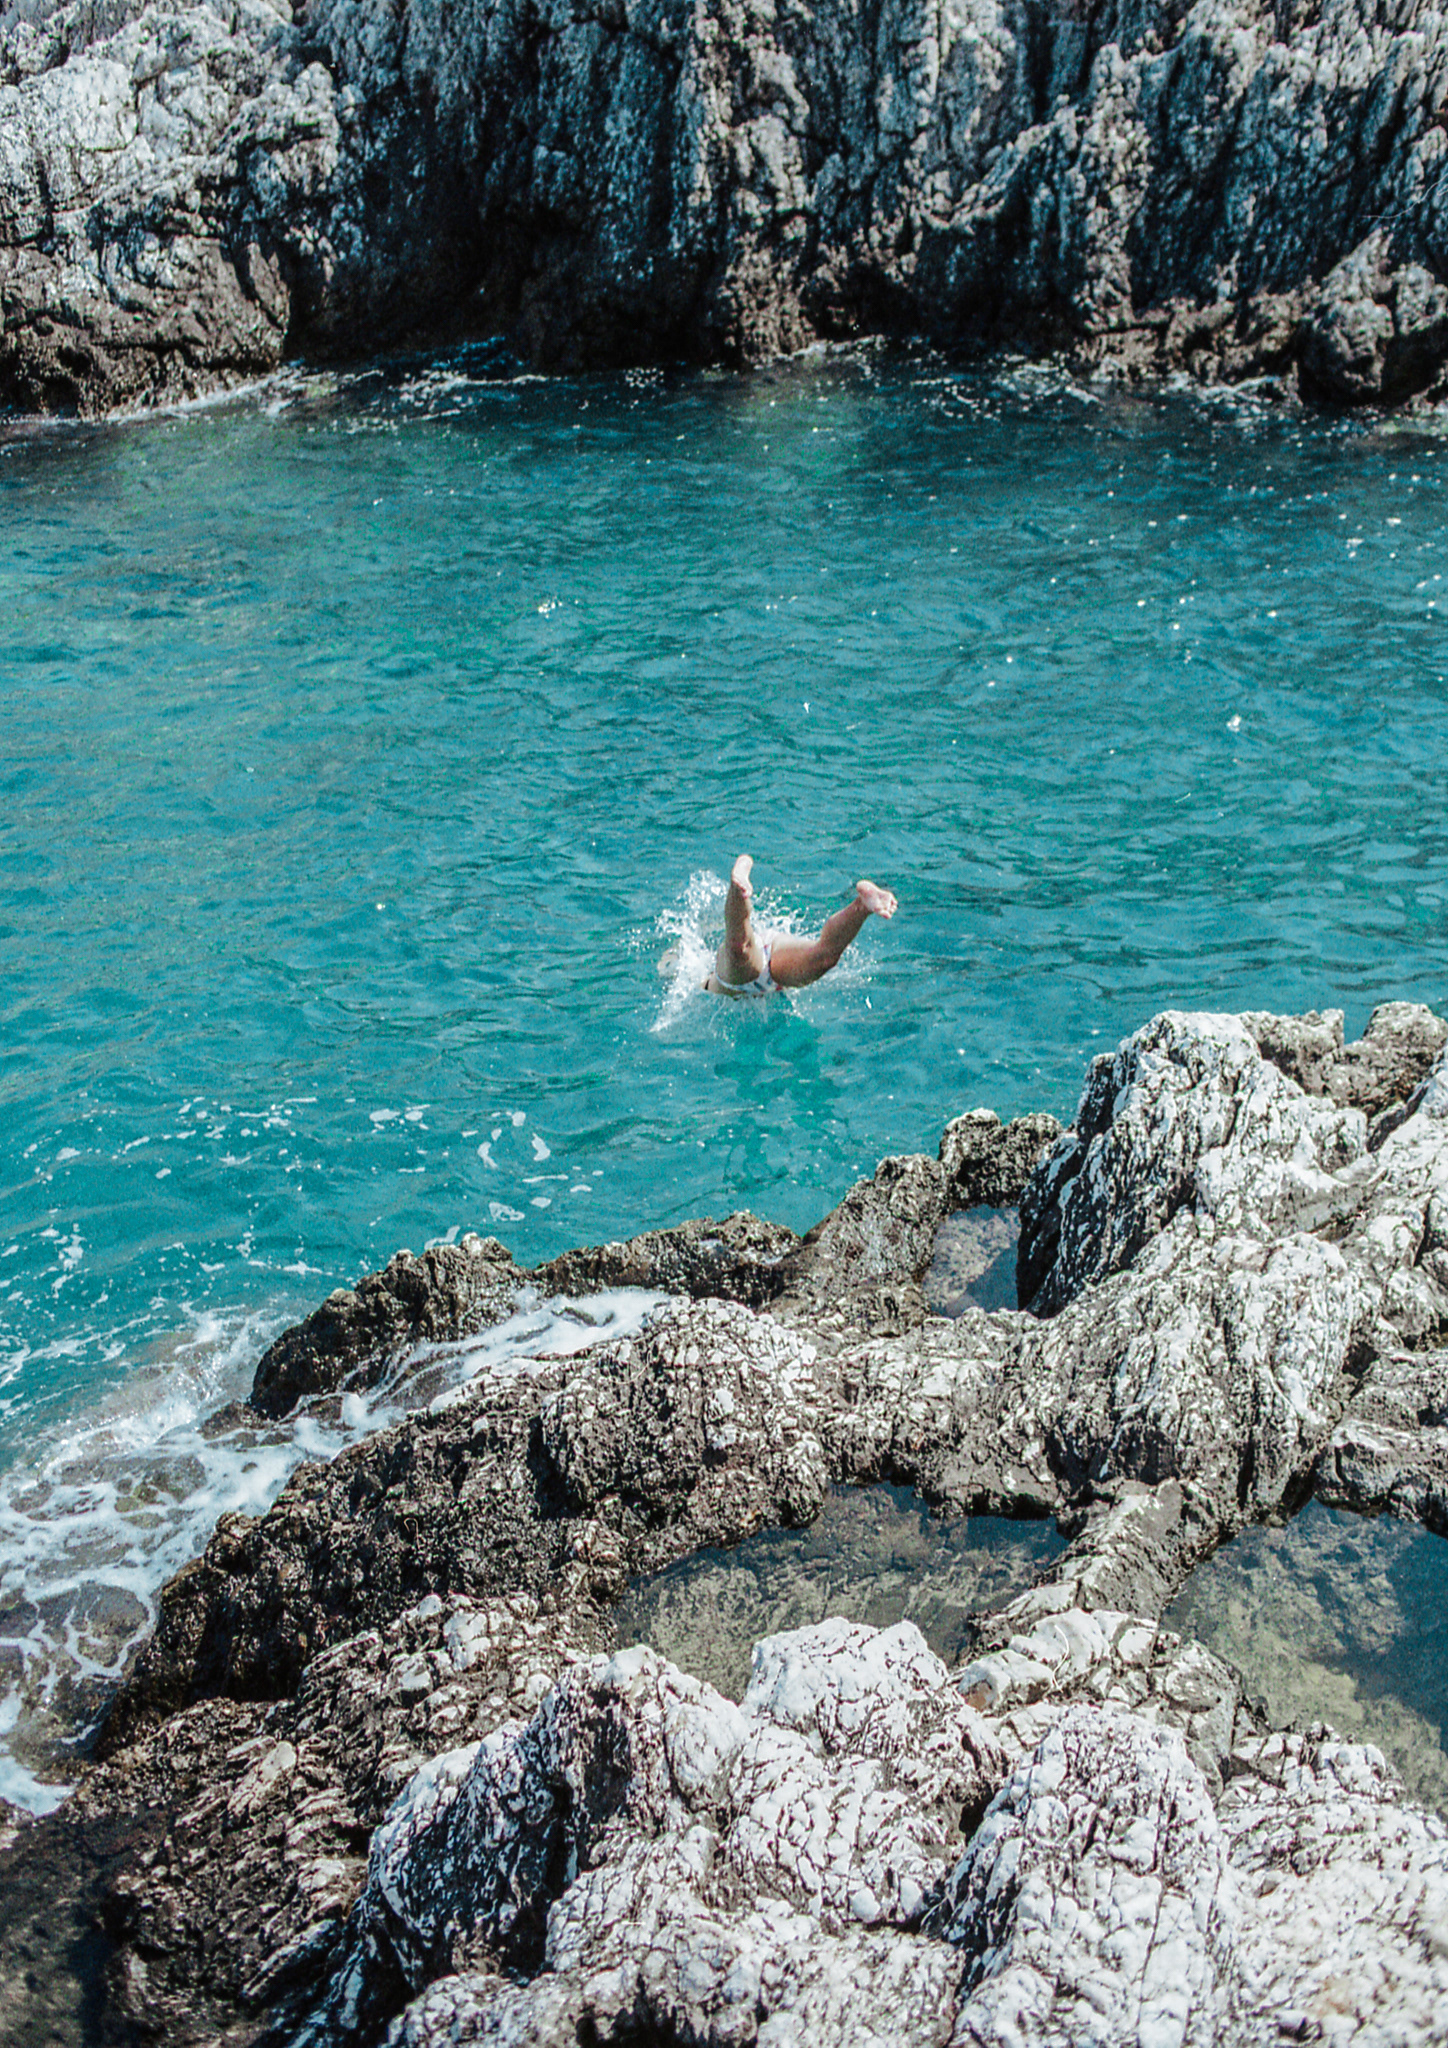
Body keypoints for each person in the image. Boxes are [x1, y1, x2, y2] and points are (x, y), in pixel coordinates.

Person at [704, 855, 897, 996]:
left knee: (739, 950)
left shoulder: (703, 977)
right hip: (776, 975)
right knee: (825, 959)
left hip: (734, 980)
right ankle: (862, 906)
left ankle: (738, 888)